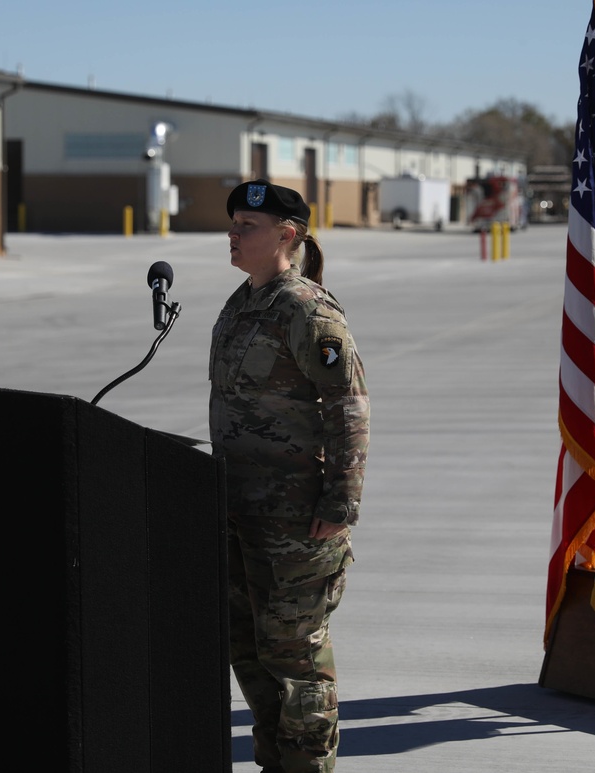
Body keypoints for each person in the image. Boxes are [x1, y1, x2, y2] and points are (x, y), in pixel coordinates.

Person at [209, 180, 370, 773]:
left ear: (287, 235)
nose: (233, 233)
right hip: (238, 514)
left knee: (295, 661)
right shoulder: (241, 304)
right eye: (232, 223)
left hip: (297, 522)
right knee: (249, 653)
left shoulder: (307, 311)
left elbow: (348, 409)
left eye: (246, 226)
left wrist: (341, 503)